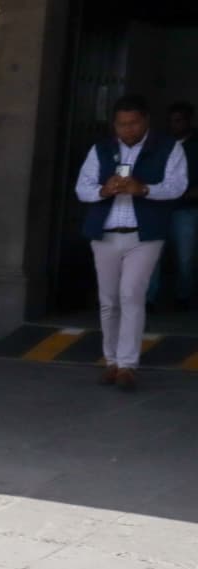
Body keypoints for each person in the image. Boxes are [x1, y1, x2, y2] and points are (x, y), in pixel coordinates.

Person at [76, 93, 188, 391]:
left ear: (145, 121)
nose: (127, 130)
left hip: (144, 235)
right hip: (105, 234)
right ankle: (111, 360)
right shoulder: (101, 149)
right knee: (109, 300)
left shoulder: (168, 147)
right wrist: (103, 190)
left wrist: (144, 189)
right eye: (122, 124)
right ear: (114, 124)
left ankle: (127, 365)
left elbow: (177, 186)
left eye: (133, 123)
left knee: (131, 295)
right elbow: (81, 188)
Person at [146, 102, 198, 312]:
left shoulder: (195, 145)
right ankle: (150, 299)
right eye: (171, 121)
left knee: (186, 258)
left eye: (179, 121)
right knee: (152, 256)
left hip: (187, 208)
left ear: (188, 121)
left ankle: (183, 297)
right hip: (159, 208)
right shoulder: (161, 144)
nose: (174, 125)